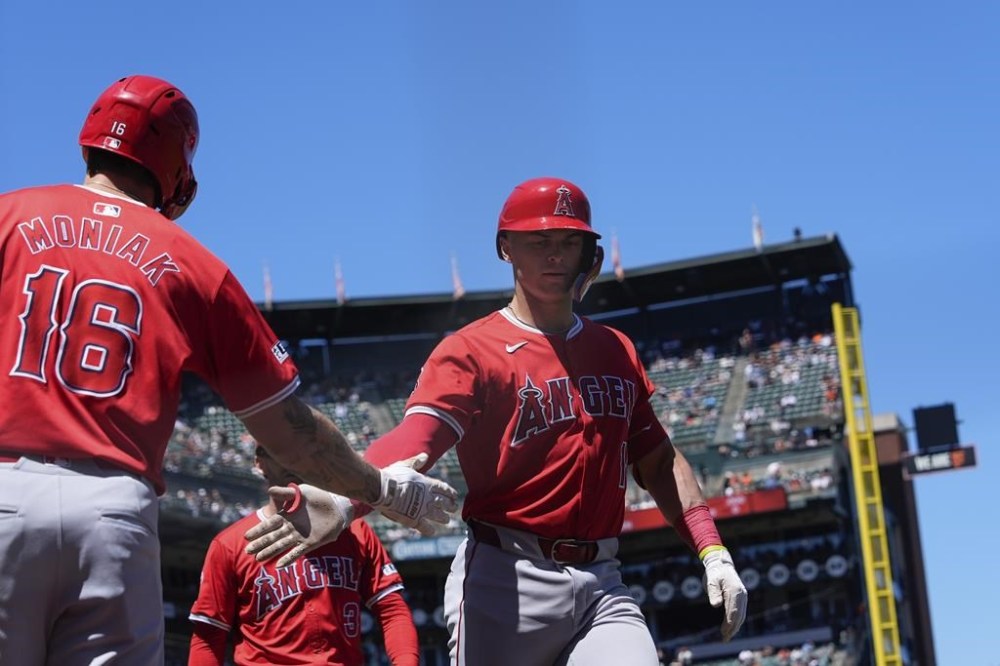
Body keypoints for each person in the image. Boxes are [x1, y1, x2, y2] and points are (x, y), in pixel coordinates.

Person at [0, 74, 456, 665]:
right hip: (112, 510)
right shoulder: (193, 264)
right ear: (176, 166)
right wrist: (381, 488)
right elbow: (290, 429)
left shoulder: (9, 216)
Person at [250, 177, 748, 665]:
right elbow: (417, 438)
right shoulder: (471, 350)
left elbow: (659, 461)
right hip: (505, 578)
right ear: (506, 247)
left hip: (603, 580)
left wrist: (713, 551)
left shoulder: (616, 350)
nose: (555, 254)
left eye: (569, 240)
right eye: (539, 240)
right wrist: (343, 498)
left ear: (587, 253)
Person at [188, 445, 419, 665]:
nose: (292, 460)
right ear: (260, 463)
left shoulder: (356, 532)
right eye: (279, 450)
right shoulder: (230, 544)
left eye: (301, 450)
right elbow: (209, 635)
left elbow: (391, 609)